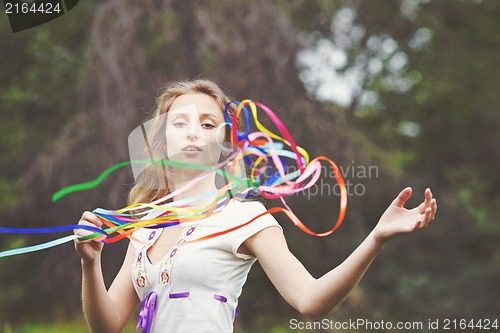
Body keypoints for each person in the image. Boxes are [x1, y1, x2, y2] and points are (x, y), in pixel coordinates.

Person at [74, 79, 438, 333]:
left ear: (225, 144)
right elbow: (107, 326)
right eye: (179, 122)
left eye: (207, 123)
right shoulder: (144, 226)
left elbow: (311, 301)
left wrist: (376, 238)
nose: (192, 131)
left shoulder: (243, 216)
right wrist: (91, 266)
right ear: (162, 139)